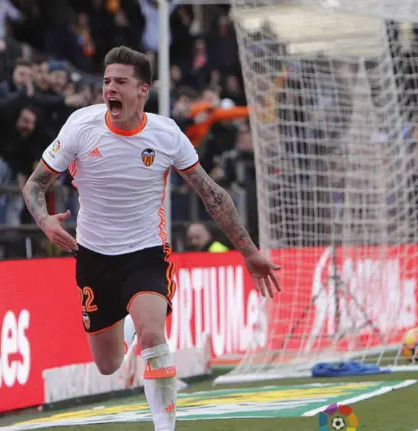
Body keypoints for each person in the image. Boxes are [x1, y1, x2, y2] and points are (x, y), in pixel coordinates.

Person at [22, 46, 281, 431]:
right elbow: (34, 185)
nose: (110, 88)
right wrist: (44, 222)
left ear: (142, 90)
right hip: (93, 256)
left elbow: (212, 194)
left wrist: (248, 251)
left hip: (146, 252)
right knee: (108, 365)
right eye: (107, 81)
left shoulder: (166, 134)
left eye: (121, 82)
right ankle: (128, 326)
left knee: (153, 336)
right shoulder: (80, 126)